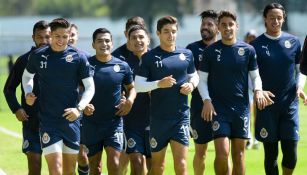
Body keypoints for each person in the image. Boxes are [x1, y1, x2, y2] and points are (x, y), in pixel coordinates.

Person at [198, 10, 274, 175]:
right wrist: (207, 100)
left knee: (239, 154)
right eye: (223, 25)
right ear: (218, 28)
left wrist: (259, 90)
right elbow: (201, 80)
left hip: (241, 109)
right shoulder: (210, 51)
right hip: (218, 110)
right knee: (222, 153)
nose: (227, 28)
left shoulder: (247, 50)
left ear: (236, 27)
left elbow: (255, 76)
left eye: (230, 24)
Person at [22, 18, 95, 175]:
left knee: (69, 172)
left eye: (64, 36)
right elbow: (27, 76)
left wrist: (79, 109)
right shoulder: (38, 56)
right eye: (57, 36)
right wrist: (28, 91)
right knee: (55, 170)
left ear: (69, 36)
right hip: (49, 122)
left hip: (71, 121)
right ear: (51, 35)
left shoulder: (78, 57)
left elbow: (90, 87)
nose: (61, 40)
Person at [135, 15, 199, 175]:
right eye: (166, 32)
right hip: (158, 120)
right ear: (158, 33)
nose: (170, 35)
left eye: (173, 31)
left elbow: (194, 75)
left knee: (182, 165)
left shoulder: (187, 54)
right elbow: (138, 86)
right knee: (158, 167)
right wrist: (158, 84)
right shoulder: (148, 57)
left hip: (181, 118)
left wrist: (191, 84)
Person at [250, 3, 307, 175]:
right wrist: (258, 91)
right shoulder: (256, 45)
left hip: (289, 104)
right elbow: (252, 74)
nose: (276, 21)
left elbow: (301, 70)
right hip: (266, 107)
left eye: (279, 18)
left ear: (284, 19)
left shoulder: (294, 42)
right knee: (271, 154)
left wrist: (300, 87)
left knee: (291, 153)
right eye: (272, 18)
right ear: (265, 20)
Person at [82, 28, 136, 175]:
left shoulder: (122, 66)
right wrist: (83, 105)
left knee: (115, 164)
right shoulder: (86, 65)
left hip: (114, 123)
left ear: (112, 44)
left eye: (107, 41)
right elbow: (76, 90)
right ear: (93, 44)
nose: (104, 44)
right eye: (99, 41)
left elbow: (132, 88)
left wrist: (129, 102)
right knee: (95, 168)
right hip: (90, 124)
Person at [3, 20, 50, 175]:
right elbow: (8, 89)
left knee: (57, 168)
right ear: (33, 37)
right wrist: (16, 108)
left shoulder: (60, 60)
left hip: (56, 123)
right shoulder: (24, 60)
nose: (43, 41)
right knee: (34, 166)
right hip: (31, 122)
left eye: (47, 37)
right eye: (39, 37)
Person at [186, 10, 222, 175]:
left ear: (218, 28)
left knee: (223, 152)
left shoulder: (226, 48)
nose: (205, 27)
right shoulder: (191, 49)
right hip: (199, 108)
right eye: (203, 24)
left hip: (223, 108)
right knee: (200, 152)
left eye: (209, 24)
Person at [112, 16, 147, 175]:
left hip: (151, 117)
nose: (137, 38)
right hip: (127, 117)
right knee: (129, 160)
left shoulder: (153, 57)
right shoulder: (118, 57)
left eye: (140, 34)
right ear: (126, 34)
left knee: (148, 163)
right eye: (132, 34)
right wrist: (121, 97)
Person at [123, 25, 151, 175]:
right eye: (133, 38)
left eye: (141, 37)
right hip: (132, 122)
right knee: (137, 163)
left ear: (148, 39)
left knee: (154, 165)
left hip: (155, 121)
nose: (138, 40)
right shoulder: (124, 65)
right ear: (128, 43)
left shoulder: (158, 60)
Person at [244, 29, 260, 150]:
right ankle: (249, 139)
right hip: (246, 89)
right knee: (248, 114)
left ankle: (256, 139)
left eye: (254, 37)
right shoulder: (243, 51)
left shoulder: (259, 51)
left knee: (257, 115)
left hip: (258, 89)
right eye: (250, 37)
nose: (252, 39)